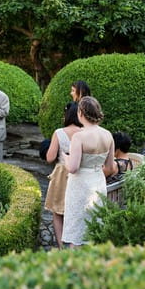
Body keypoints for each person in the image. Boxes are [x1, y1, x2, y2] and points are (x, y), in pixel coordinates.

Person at [62, 96, 115, 248]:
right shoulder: (107, 135)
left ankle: (76, 265)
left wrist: (65, 158)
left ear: (80, 113)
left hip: (79, 185)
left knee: (77, 230)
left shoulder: (79, 136)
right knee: (94, 226)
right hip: (98, 183)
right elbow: (110, 167)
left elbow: (73, 168)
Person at [44, 102, 82, 249]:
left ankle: (61, 247)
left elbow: (50, 157)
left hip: (61, 175)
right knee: (76, 212)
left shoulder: (59, 133)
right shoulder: (85, 132)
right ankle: (75, 245)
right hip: (79, 173)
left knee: (57, 212)